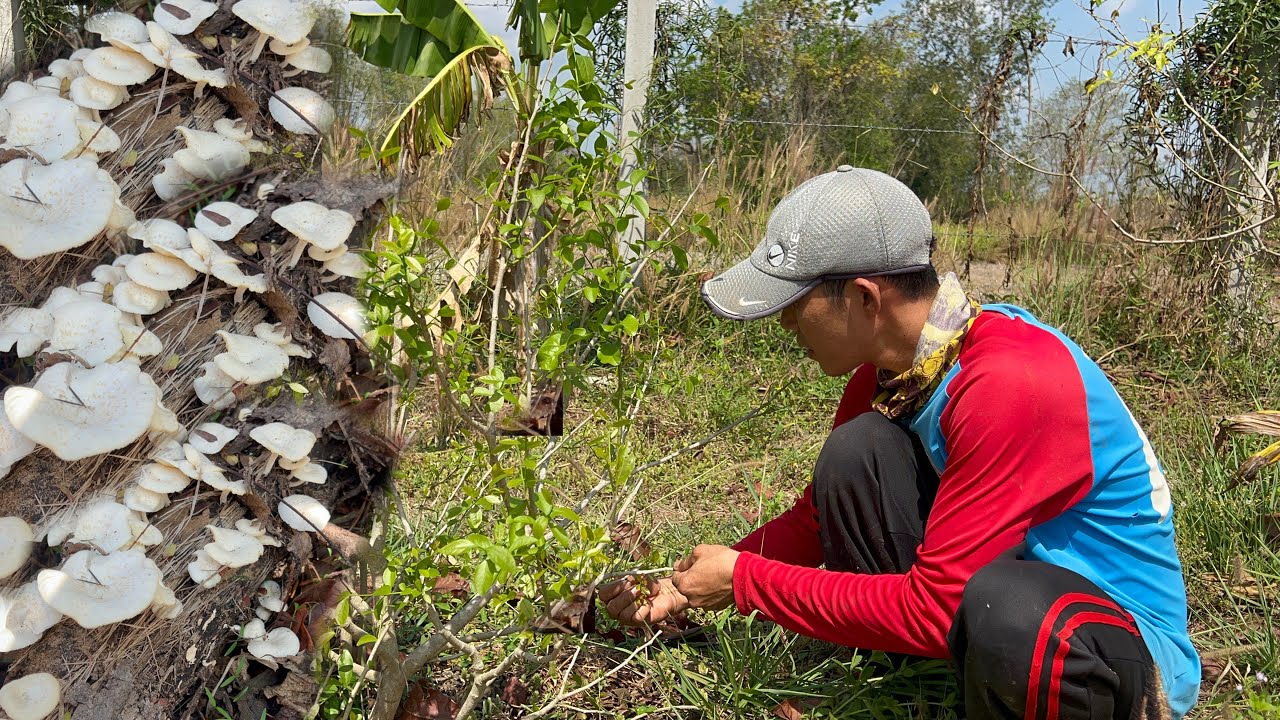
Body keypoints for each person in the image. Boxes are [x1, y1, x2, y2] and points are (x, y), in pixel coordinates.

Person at [599, 165, 1201, 720]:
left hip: (1108, 646)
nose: (783, 324)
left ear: (864, 298)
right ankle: (919, 692)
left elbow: (941, 608)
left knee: (1007, 610)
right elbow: (814, 524)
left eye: (794, 304)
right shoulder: (891, 375)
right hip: (991, 607)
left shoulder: (1012, 380)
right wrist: (683, 586)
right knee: (857, 452)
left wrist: (747, 582)